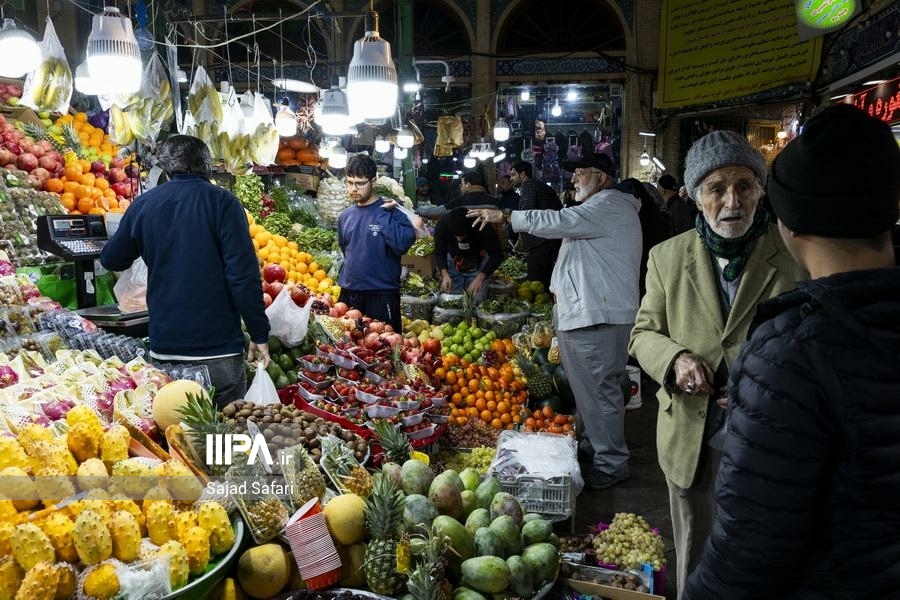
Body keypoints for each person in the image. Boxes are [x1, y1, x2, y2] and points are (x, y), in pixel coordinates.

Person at [683, 105, 900, 599]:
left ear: (788, 221)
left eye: (747, 186)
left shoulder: (791, 354)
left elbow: (749, 551)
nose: (732, 201)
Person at [628, 130, 806, 599]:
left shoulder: (793, 254)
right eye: (717, 188)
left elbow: (813, 342)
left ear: (760, 190)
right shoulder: (667, 257)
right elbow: (642, 334)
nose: (732, 201)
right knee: (694, 547)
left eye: (744, 185)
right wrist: (676, 359)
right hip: (692, 435)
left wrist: (768, 384)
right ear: (694, 194)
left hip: (771, 435)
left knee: (764, 553)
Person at [469, 152, 642, 490]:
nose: (574, 179)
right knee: (588, 392)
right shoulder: (598, 208)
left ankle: (612, 463)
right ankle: (594, 444)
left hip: (598, 317)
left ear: (602, 178)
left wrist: (508, 215)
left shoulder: (609, 205)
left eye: (581, 172)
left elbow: (557, 220)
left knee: (601, 392)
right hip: (586, 314)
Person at [100, 135, 270, 409]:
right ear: (207, 166)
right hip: (219, 351)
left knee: (174, 431)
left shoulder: (144, 204)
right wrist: (259, 333)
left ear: (166, 167)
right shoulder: (224, 203)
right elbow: (243, 277)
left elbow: (112, 259)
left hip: (166, 350)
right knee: (226, 431)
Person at [337, 153, 417, 332]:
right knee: (346, 345)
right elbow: (345, 249)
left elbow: (402, 245)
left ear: (373, 181)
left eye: (360, 183)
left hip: (382, 296)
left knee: (385, 345)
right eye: (349, 182)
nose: (353, 189)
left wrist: (382, 215)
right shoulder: (345, 216)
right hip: (350, 293)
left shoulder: (393, 212)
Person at [509, 160, 563, 289]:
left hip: (540, 242)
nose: (511, 178)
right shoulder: (540, 186)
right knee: (546, 280)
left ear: (523, 174)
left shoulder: (528, 185)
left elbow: (527, 214)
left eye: (513, 175)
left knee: (536, 284)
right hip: (550, 240)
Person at [433, 207, 504, 300]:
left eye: (463, 236)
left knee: (475, 299)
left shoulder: (483, 225)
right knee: (454, 298)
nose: (459, 239)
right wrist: (445, 274)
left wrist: (481, 277)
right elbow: (440, 252)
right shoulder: (442, 224)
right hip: (453, 261)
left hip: (478, 262)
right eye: (456, 236)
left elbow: (496, 255)